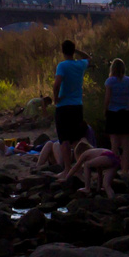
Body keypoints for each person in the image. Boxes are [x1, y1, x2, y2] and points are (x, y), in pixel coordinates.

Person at [52, 39, 91, 170]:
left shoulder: (62, 66)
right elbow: (89, 58)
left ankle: (68, 169)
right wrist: (77, 50)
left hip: (63, 106)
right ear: (73, 51)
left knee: (64, 139)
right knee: (76, 139)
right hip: (77, 106)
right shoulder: (80, 64)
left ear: (63, 52)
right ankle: (80, 166)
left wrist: (55, 97)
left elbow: (57, 83)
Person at [103, 58, 129, 162]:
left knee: (114, 144)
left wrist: (105, 110)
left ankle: (113, 169)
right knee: (126, 146)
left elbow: (107, 98)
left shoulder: (110, 81)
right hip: (125, 113)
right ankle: (125, 171)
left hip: (113, 113)